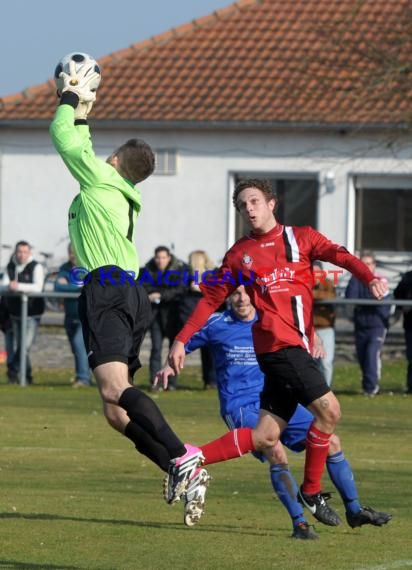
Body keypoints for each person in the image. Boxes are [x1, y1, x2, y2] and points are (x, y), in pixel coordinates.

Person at [166, 178, 388, 516]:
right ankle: (311, 492)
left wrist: (367, 276)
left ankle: (190, 457)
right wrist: (182, 339)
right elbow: (211, 298)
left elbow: (339, 255)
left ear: (272, 203)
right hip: (278, 348)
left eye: (254, 201)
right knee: (330, 413)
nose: (248, 209)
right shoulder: (240, 254)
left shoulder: (302, 238)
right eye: (242, 205)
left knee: (265, 435)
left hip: (288, 350)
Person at [49, 60, 206, 503]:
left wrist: (68, 95)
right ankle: (180, 467)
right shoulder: (117, 189)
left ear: (115, 161)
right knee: (115, 411)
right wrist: (83, 111)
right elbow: (79, 139)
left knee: (115, 390)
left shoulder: (101, 179)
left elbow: (64, 140)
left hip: (108, 289)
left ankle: (182, 454)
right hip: (129, 293)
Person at [156, 286, 391, 537]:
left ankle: (355, 510)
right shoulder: (217, 323)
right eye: (235, 293)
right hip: (240, 406)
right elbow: (183, 343)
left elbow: (301, 324)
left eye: (247, 293)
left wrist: (316, 339)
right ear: (228, 297)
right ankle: (300, 523)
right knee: (274, 449)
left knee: (331, 442)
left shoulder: (270, 319)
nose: (242, 298)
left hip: (277, 399)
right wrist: (169, 366)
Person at [141, 246, 187, 390]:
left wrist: (160, 295)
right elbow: (143, 287)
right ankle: (155, 382)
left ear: (169, 257)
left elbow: (180, 290)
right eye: (158, 258)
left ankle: (171, 382)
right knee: (156, 349)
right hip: (155, 316)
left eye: (163, 258)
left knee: (173, 351)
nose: (160, 261)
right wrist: (154, 294)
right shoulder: (148, 270)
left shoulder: (178, 270)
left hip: (174, 316)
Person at [345, 251, 391, 396]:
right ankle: (368, 386)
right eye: (363, 264)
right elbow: (351, 298)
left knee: (371, 354)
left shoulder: (381, 280)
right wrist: (356, 277)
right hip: (360, 325)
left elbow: (381, 301)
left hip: (377, 326)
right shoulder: (355, 280)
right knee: (363, 357)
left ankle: (371, 388)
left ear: (374, 265)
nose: (366, 267)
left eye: (369, 264)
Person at [0, 241, 45, 384]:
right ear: (15, 252)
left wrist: (18, 286)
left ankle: (13, 372)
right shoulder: (11, 266)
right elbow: (4, 286)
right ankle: (27, 377)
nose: (22, 255)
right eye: (19, 252)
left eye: (25, 252)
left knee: (24, 346)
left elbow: (38, 288)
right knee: (22, 347)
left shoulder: (36, 267)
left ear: (30, 253)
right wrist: (9, 286)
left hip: (32, 314)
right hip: (15, 313)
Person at [179, 250, 217, 389]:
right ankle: (207, 380)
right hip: (194, 316)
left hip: (208, 318)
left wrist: (200, 288)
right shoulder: (188, 277)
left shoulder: (212, 276)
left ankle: (212, 380)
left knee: (210, 352)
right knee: (205, 352)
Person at [55, 243, 91, 387]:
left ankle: (83, 378)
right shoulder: (65, 268)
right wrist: (77, 286)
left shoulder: (87, 267)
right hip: (70, 316)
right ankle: (83, 375)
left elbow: (88, 287)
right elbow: (58, 286)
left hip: (85, 316)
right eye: (71, 252)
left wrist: (72, 285)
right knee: (75, 348)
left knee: (78, 345)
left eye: (75, 252)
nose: (73, 255)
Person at [312, 260, 336, 387]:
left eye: (317, 272)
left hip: (325, 328)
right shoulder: (303, 283)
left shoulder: (328, 283)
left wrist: (314, 293)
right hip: (308, 329)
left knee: (326, 362)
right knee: (310, 362)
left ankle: (326, 390)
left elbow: (330, 296)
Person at [393, 269, 412, 394]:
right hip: (410, 324)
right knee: (411, 356)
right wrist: (402, 308)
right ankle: (411, 386)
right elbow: (398, 293)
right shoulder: (408, 277)